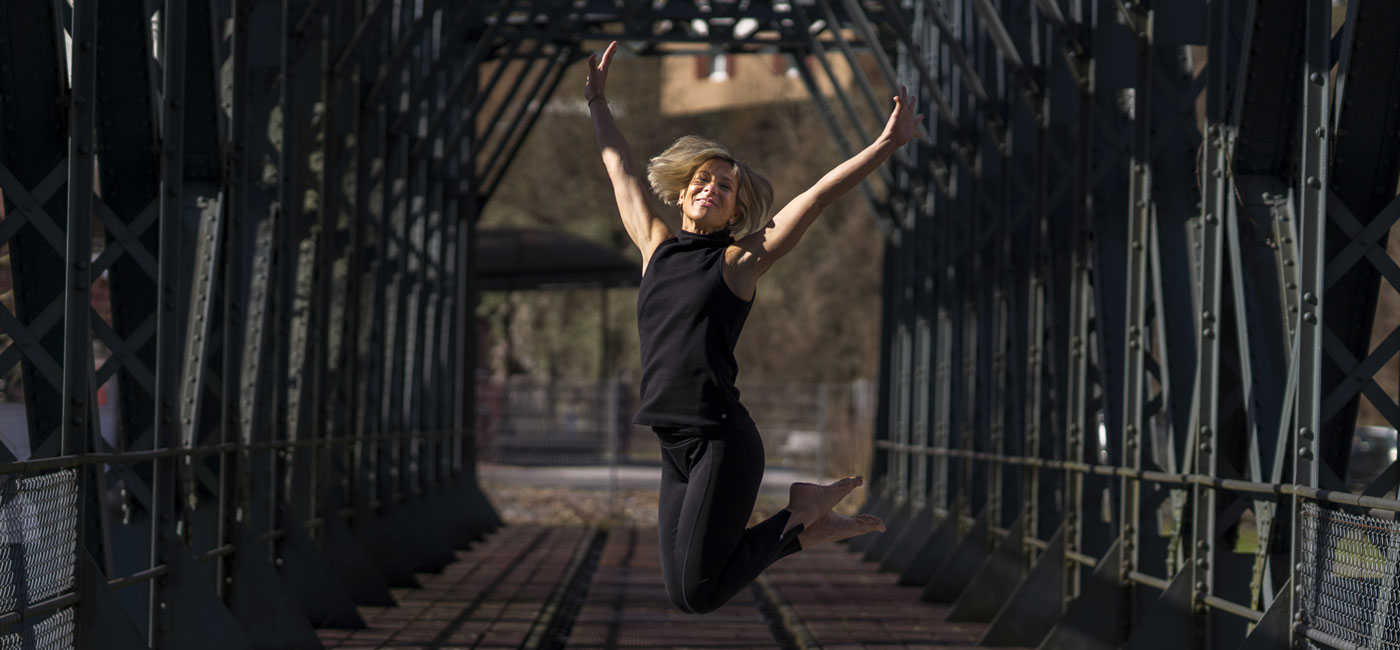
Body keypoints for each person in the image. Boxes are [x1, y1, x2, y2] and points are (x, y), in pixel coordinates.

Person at [586, 41, 921, 614]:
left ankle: (798, 517)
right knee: (682, 592)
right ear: (683, 191)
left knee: (699, 595)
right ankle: (804, 523)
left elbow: (815, 199)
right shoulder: (654, 246)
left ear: (735, 212)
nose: (711, 189)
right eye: (703, 179)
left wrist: (886, 145)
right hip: (672, 442)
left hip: (722, 441)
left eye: (725, 187)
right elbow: (619, 167)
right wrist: (597, 102)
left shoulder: (738, 262)